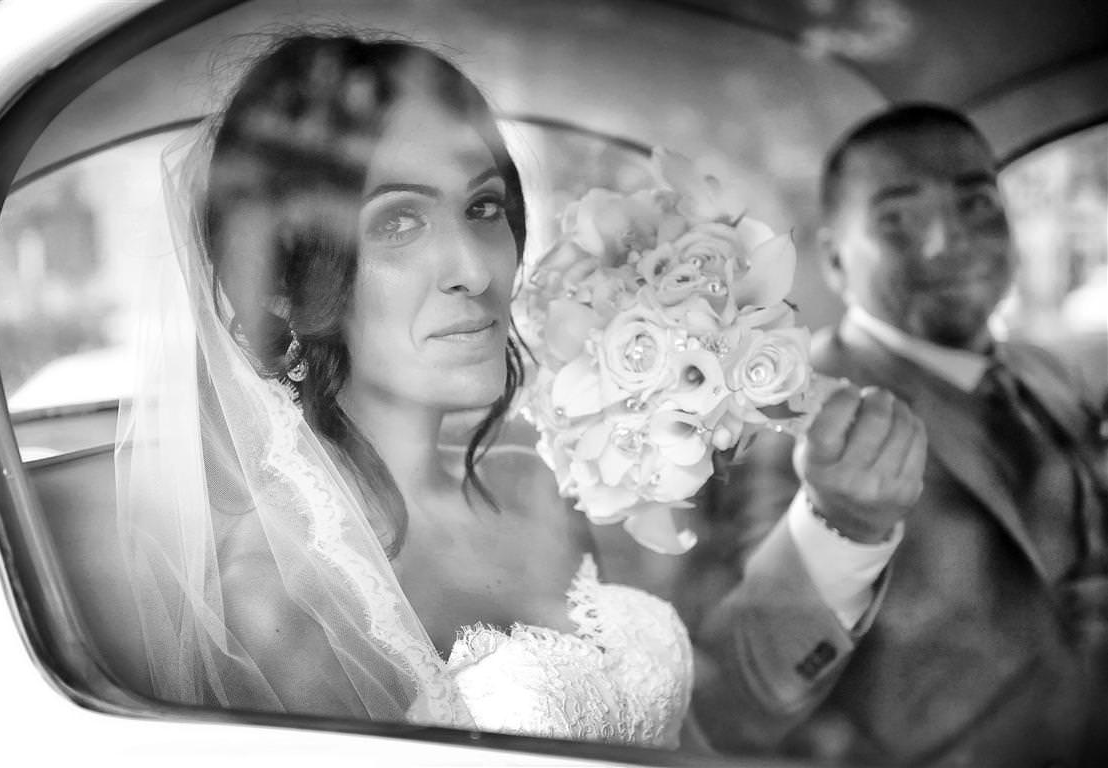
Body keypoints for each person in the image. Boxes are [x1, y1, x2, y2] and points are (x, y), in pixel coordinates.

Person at [115, 31, 926, 750]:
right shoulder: (281, 589)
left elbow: (702, 723)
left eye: (482, 206)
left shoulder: (534, 483)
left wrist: (842, 521)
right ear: (289, 286)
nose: (474, 271)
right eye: (397, 222)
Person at [700, 103, 1108, 766]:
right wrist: (838, 524)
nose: (949, 242)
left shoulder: (1049, 374)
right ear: (834, 259)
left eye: (976, 203)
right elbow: (738, 691)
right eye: (897, 218)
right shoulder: (785, 413)